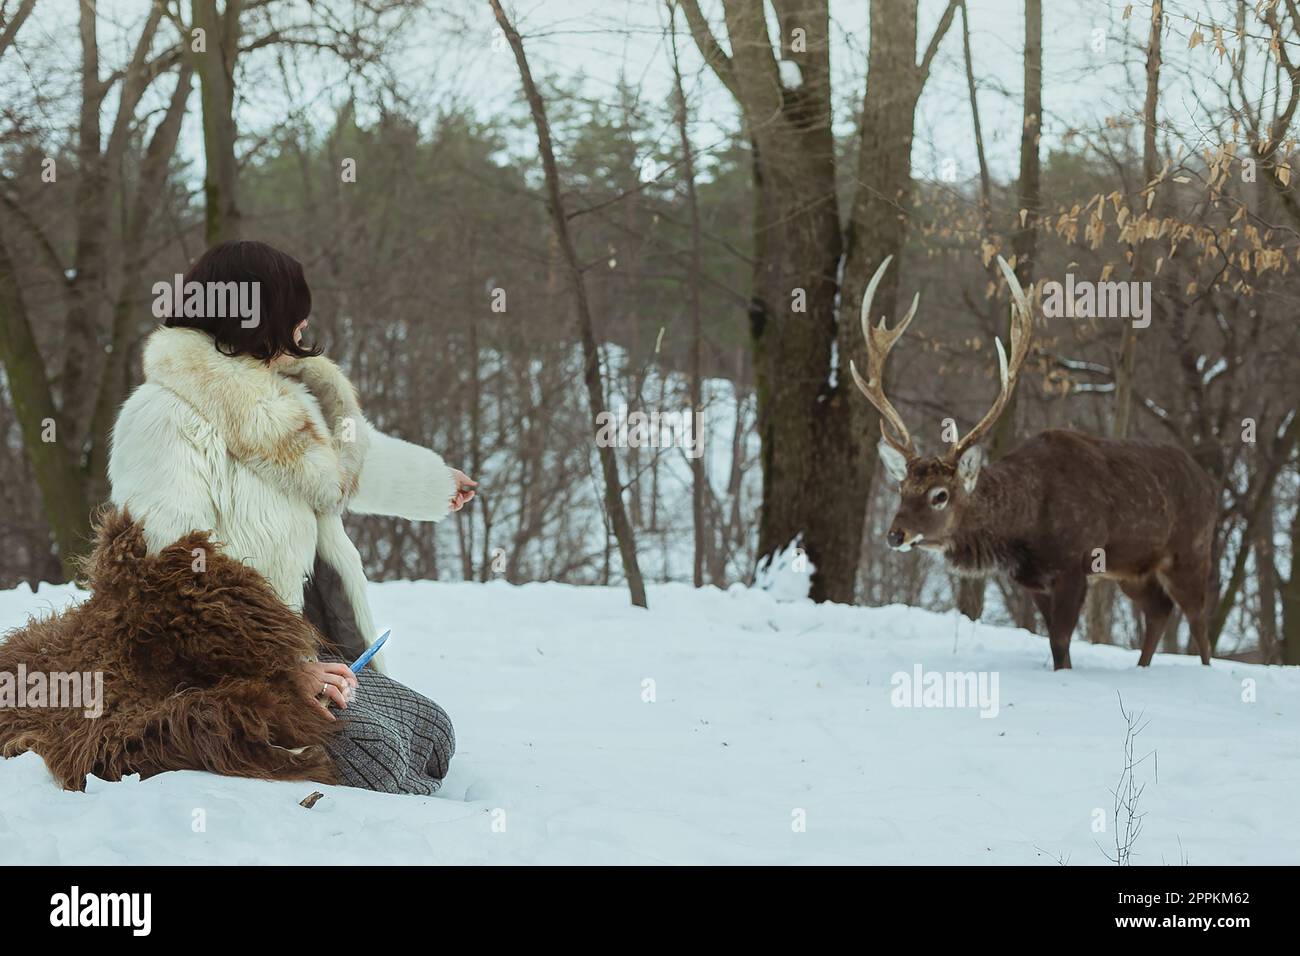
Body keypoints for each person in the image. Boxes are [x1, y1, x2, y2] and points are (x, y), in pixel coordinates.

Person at [108, 239, 475, 794]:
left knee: (431, 735)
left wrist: (434, 484)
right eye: (294, 318)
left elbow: (337, 467)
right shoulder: (163, 417)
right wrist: (279, 668)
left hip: (310, 647)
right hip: (223, 668)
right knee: (377, 761)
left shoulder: (281, 391)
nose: (303, 328)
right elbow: (172, 575)